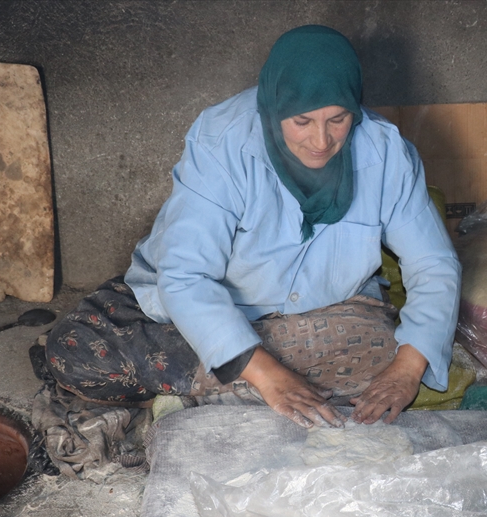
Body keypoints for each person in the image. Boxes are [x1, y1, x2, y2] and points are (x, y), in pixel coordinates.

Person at [44, 25, 460, 428]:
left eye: (338, 119)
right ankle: (253, 374)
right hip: (217, 305)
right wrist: (267, 374)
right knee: (73, 350)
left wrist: (406, 370)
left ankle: (217, 380)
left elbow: (434, 264)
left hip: (325, 311)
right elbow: (185, 276)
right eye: (302, 121)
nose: (321, 141)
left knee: (385, 353)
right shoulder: (223, 142)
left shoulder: (387, 153)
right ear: (275, 106)